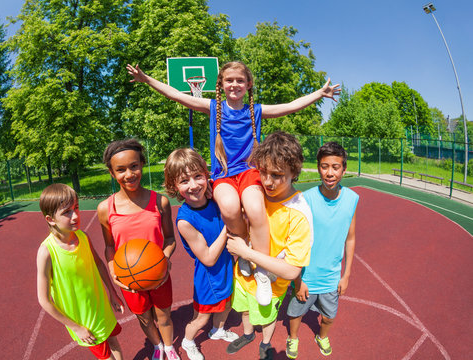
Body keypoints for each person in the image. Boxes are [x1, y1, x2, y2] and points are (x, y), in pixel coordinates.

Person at [127, 61, 339, 306]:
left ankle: (260, 269)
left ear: (248, 85)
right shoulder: (214, 107)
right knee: (228, 207)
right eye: (229, 80)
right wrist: (147, 79)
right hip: (224, 174)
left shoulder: (256, 111)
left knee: (256, 207)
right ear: (221, 85)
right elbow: (177, 95)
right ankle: (245, 249)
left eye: (240, 80)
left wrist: (319, 94)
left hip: (249, 171)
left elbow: (290, 107)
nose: (234, 84)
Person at [225, 131, 313, 360]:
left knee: (266, 316)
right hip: (244, 274)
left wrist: (246, 252)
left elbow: (293, 270)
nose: (267, 181)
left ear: (295, 171)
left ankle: (265, 342)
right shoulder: (257, 192)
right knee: (244, 309)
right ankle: (247, 335)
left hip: (271, 285)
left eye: (277, 175)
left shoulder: (298, 213)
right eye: (263, 172)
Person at [97, 139, 180, 360]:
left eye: (134, 166)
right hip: (128, 277)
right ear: (112, 173)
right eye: (121, 170)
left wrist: (165, 257)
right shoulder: (105, 209)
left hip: (158, 273)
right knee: (144, 318)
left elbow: (170, 238)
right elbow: (108, 247)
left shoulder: (159, 202)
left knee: (164, 316)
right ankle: (157, 346)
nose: (129, 174)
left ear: (142, 164)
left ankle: (170, 347)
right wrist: (114, 271)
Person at [163, 148, 239, 360]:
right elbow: (207, 257)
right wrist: (228, 227)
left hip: (226, 267)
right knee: (201, 318)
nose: (194, 185)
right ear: (174, 186)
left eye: (198, 176)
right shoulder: (186, 220)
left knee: (228, 303)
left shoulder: (215, 196)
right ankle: (188, 342)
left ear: (206, 175)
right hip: (209, 277)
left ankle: (218, 330)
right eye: (184, 180)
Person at [285, 142, 358, 359]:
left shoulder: (352, 199)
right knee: (295, 313)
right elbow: (293, 242)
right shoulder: (305, 199)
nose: (330, 172)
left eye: (335, 167)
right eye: (325, 166)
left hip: (332, 277)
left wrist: (346, 275)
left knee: (329, 317)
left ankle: (322, 336)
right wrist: (298, 279)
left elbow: (351, 238)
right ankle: (293, 338)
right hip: (306, 275)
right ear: (318, 167)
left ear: (344, 170)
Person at [36, 183, 124, 360]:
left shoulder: (83, 237)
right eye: (67, 212)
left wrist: (112, 294)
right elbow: (44, 300)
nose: (75, 215)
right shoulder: (47, 252)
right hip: (84, 321)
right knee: (106, 357)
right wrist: (75, 327)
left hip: (101, 309)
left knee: (114, 342)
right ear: (50, 219)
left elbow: (99, 264)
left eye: (76, 208)